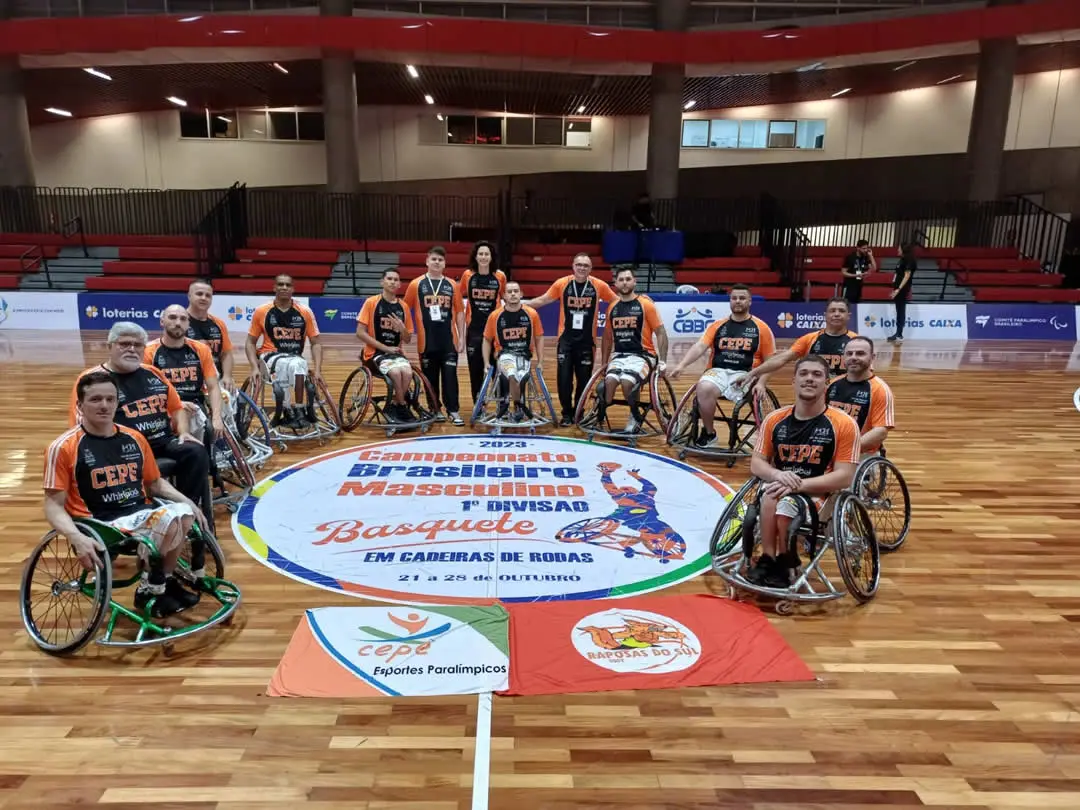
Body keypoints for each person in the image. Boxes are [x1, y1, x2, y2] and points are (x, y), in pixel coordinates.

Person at [51, 370, 210, 616]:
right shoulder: (64, 447)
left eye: (110, 399)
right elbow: (52, 505)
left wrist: (189, 502)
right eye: (95, 400)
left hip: (137, 511)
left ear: (117, 402)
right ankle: (152, 585)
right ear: (80, 405)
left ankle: (160, 582)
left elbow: (155, 484)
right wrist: (75, 537)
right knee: (167, 520)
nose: (104, 405)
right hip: (100, 521)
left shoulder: (134, 438)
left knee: (185, 514)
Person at [70, 322, 211, 524]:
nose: (132, 349)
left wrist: (183, 432)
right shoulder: (93, 381)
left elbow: (177, 406)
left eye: (138, 345)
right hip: (121, 451)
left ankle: (190, 510)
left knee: (196, 452)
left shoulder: (153, 373)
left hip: (162, 442)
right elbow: (79, 429)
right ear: (109, 346)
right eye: (125, 344)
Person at [750, 355, 861, 589]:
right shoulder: (775, 419)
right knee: (770, 495)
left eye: (817, 374)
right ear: (794, 381)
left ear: (827, 383)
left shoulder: (843, 423)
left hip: (821, 493)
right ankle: (769, 559)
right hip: (781, 486)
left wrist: (799, 485)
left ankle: (786, 559)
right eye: (804, 374)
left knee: (784, 504)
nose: (809, 379)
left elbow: (844, 476)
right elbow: (757, 464)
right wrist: (778, 475)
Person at [668, 284, 776, 449]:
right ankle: (710, 433)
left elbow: (771, 361)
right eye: (734, 298)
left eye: (742, 298)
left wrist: (761, 382)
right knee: (703, 387)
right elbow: (699, 346)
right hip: (718, 371)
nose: (737, 301)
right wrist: (682, 365)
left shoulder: (761, 328)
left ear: (750, 301)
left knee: (740, 390)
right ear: (730, 301)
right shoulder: (718, 325)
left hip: (746, 374)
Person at [525, 253, 617, 426]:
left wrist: (639, 302)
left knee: (584, 380)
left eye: (586, 265)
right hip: (565, 341)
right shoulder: (562, 283)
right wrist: (521, 303)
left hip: (587, 342)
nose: (582, 268)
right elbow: (543, 300)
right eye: (579, 264)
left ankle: (579, 412)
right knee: (564, 379)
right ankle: (567, 413)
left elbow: (617, 302)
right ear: (573, 266)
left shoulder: (599, 286)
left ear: (590, 269)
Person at [245, 274, 325, 428]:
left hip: (294, 357)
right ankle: (287, 409)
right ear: (274, 287)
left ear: (293, 289)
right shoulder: (262, 311)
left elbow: (316, 343)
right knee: (285, 364)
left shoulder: (304, 311)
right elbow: (250, 342)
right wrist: (254, 367)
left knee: (297, 364)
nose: (284, 287)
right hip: (270, 355)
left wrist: (318, 370)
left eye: (288, 285)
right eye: (280, 284)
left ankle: (300, 409)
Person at [599, 267, 668, 433]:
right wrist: (603, 363)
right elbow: (607, 337)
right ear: (615, 283)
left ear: (634, 281)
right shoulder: (612, 307)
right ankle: (602, 407)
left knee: (627, 381)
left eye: (628, 279)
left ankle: (634, 416)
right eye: (621, 279)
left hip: (644, 355)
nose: (624, 282)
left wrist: (663, 361)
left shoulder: (646, 305)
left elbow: (661, 333)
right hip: (620, 355)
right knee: (609, 382)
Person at [403, 246, 466, 426]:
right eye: (434, 259)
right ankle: (435, 409)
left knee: (450, 377)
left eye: (440, 259)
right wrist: (405, 336)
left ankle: (453, 410)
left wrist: (461, 337)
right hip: (426, 342)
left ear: (444, 263)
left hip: (449, 341)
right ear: (427, 261)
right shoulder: (416, 284)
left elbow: (460, 313)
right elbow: (405, 310)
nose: (437, 262)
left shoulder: (452, 285)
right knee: (430, 379)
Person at [735, 297, 857, 387]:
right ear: (825, 315)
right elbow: (781, 359)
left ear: (848, 316)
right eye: (832, 311)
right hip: (816, 391)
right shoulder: (810, 339)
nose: (836, 314)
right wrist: (752, 374)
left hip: (844, 392)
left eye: (841, 311)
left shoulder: (856, 341)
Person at [145, 304, 224, 440]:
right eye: (172, 317)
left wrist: (217, 418)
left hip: (195, 405)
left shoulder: (201, 349)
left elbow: (213, 386)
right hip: (162, 407)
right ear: (162, 322)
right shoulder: (148, 351)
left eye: (183, 319)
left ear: (188, 324)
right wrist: (175, 404)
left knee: (214, 422)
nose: (177, 323)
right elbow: (144, 390)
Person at [356, 268, 415, 422]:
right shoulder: (371, 302)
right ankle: (401, 405)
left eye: (396, 279)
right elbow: (360, 333)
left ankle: (394, 404)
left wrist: (402, 329)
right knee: (395, 373)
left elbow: (408, 339)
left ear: (399, 284)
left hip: (395, 353)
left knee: (408, 373)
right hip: (375, 353)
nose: (392, 282)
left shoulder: (404, 307)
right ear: (382, 282)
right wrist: (385, 348)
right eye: (389, 278)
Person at [482, 280, 544, 421]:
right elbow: (486, 339)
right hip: (505, 355)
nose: (513, 294)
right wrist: (486, 362)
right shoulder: (495, 316)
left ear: (521, 294)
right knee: (512, 374)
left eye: (516, 291)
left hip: (524, 356)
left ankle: (517, 404)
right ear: (504, 296)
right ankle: (517, 405)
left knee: (521, 377)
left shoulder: (531, 314)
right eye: (509, 292)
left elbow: (539, 337)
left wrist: (540, 361)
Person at [826, 336, 895, 459]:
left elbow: (880, 431)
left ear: (872, 358)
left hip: (860, 453)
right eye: (849, 353)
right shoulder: (832, 384)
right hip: (828, 449)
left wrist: (847, 450)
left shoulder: (880, 389)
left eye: (860, 354)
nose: (853, 357)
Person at [460, 241, 507, 402]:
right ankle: (478, 405)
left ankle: (502, 405)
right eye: (481, 254)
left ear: (492, 257)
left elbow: (506, 298)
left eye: (487, 254)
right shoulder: (468, 275)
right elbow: (458, 296)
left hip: (495, 332)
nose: (484, 257)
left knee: (497, 369)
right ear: (475, 256)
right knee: (475, 370)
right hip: (474, 331)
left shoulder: (500, 276)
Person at [186, 279, 235, 391]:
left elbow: (226, 354)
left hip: (216, 377)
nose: (203, 298)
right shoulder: (180, 322)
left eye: (208, 295)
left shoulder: (218, 323)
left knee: (229, 397)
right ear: (189, 296)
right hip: (190, 380)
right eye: (199, 294)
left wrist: (227, 376)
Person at [888, 242, 916, 343]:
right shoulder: (902, 260)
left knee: (900, 310)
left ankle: (899, 334)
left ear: (904, 249)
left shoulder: (910, 260)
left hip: (902, 289)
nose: (897, 250)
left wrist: (898, 289)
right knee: (898, 310)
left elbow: (907, 276)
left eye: (899, 248)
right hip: (897, 288)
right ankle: (898, 333)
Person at [841, 240, 875, 305]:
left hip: (859, 286)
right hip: (849, 286)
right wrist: (857, 275)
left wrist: (871, 256)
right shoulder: (850, 257)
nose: (865, 250)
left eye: (867, 248)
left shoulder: (865, 257)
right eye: (863, 248)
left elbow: (874, 268)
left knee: (856, 306)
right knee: (846, 305)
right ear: (858, 248)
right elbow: (843, 272)